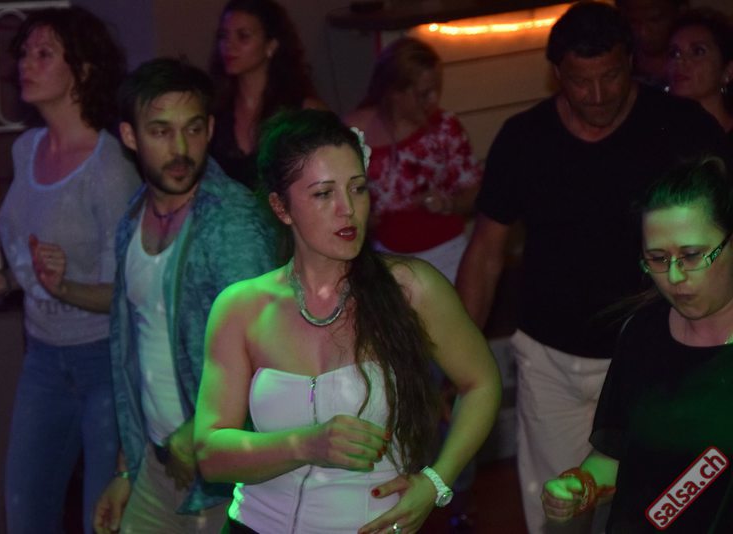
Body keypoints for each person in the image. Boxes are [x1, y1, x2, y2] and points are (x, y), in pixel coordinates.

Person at [455, 2, 729, 532]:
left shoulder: (680, 127)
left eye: (611, 76)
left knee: (664, 499)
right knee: (558, 503)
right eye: (582, 81)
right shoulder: (524, 138)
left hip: (657, 354)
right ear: (556, 74)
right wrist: (462, 361)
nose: (598, 95)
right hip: (551, 359)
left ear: (631, 62)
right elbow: (486, 253)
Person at [193, 109, 501, 534]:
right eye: (323, 194)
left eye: (357, 188)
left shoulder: (410, 288)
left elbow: (482, 382)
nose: (348, 209)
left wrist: (436, 482)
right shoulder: (241, 306)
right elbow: (210, 454)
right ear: (281, 207)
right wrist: (306, 443)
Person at [0, 7, 139, 533]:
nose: (26, 64)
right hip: (41, 359)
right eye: (24, 54)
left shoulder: (109, 166)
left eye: (44, 54)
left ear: (82, 69)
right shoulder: (25, 149)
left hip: (103, 361)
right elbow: (33, 261)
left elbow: (127, 292)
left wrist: (64, 287)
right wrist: (4, 281)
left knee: (102, 519)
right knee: (26, 514)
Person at [91, 58, 277, 534]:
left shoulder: (232, 221)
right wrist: (126, 471)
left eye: (192, 129)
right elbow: (133, 357)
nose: (180, 149)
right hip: (158, 465)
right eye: (160, 131)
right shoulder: (131, 220)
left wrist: (198, 432)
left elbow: (269, 346)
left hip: (222, 475)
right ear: (130, 137)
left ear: (210, 129)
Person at [542, 155, 733, 533]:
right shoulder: (643, 333)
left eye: (691, 256)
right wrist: (581, 487)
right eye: (657, 259)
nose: (674, 276)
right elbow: (614, 456)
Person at [345, 37, 481, 283]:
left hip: (447, 253)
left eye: (436, 90)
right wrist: (359, 216)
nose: (433, 100)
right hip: (386, 257)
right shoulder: (354, 132)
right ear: (394, 92)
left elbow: (475, 191)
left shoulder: (444, 127)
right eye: (423, 94)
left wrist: (448, 203)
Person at [208, 0, 326, 190]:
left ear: (271, 45)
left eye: (243, 36)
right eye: (223, 36)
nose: (229, 45)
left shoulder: (303, 111)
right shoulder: (215, 108)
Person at [666, 8, 733, 136]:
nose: (680, 61)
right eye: (674, 53)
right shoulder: (657, 133)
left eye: (698, 52)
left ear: (728, 71)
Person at [616, 0, 686, 88]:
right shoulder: (616, 71)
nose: (643, 32)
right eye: (633, 21)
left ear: (680, 12)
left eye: (654, 20)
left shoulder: (696, 70)